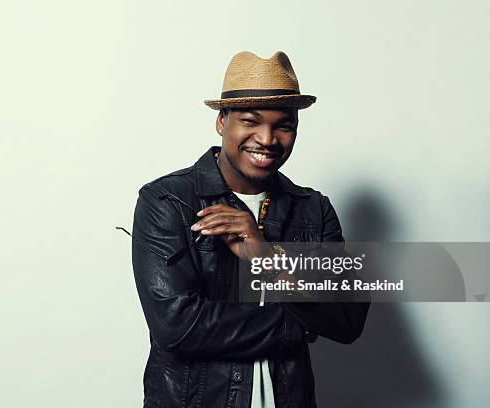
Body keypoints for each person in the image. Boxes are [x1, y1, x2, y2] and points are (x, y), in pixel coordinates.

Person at [130, 51, 370, 408]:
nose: (267, 138)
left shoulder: (313, 210)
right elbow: (177, 327)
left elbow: (347, 320)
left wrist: (266, 255)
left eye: (283, 125)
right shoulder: (168, 201)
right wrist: (301, 323)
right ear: (222, 121)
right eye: (250, 121)